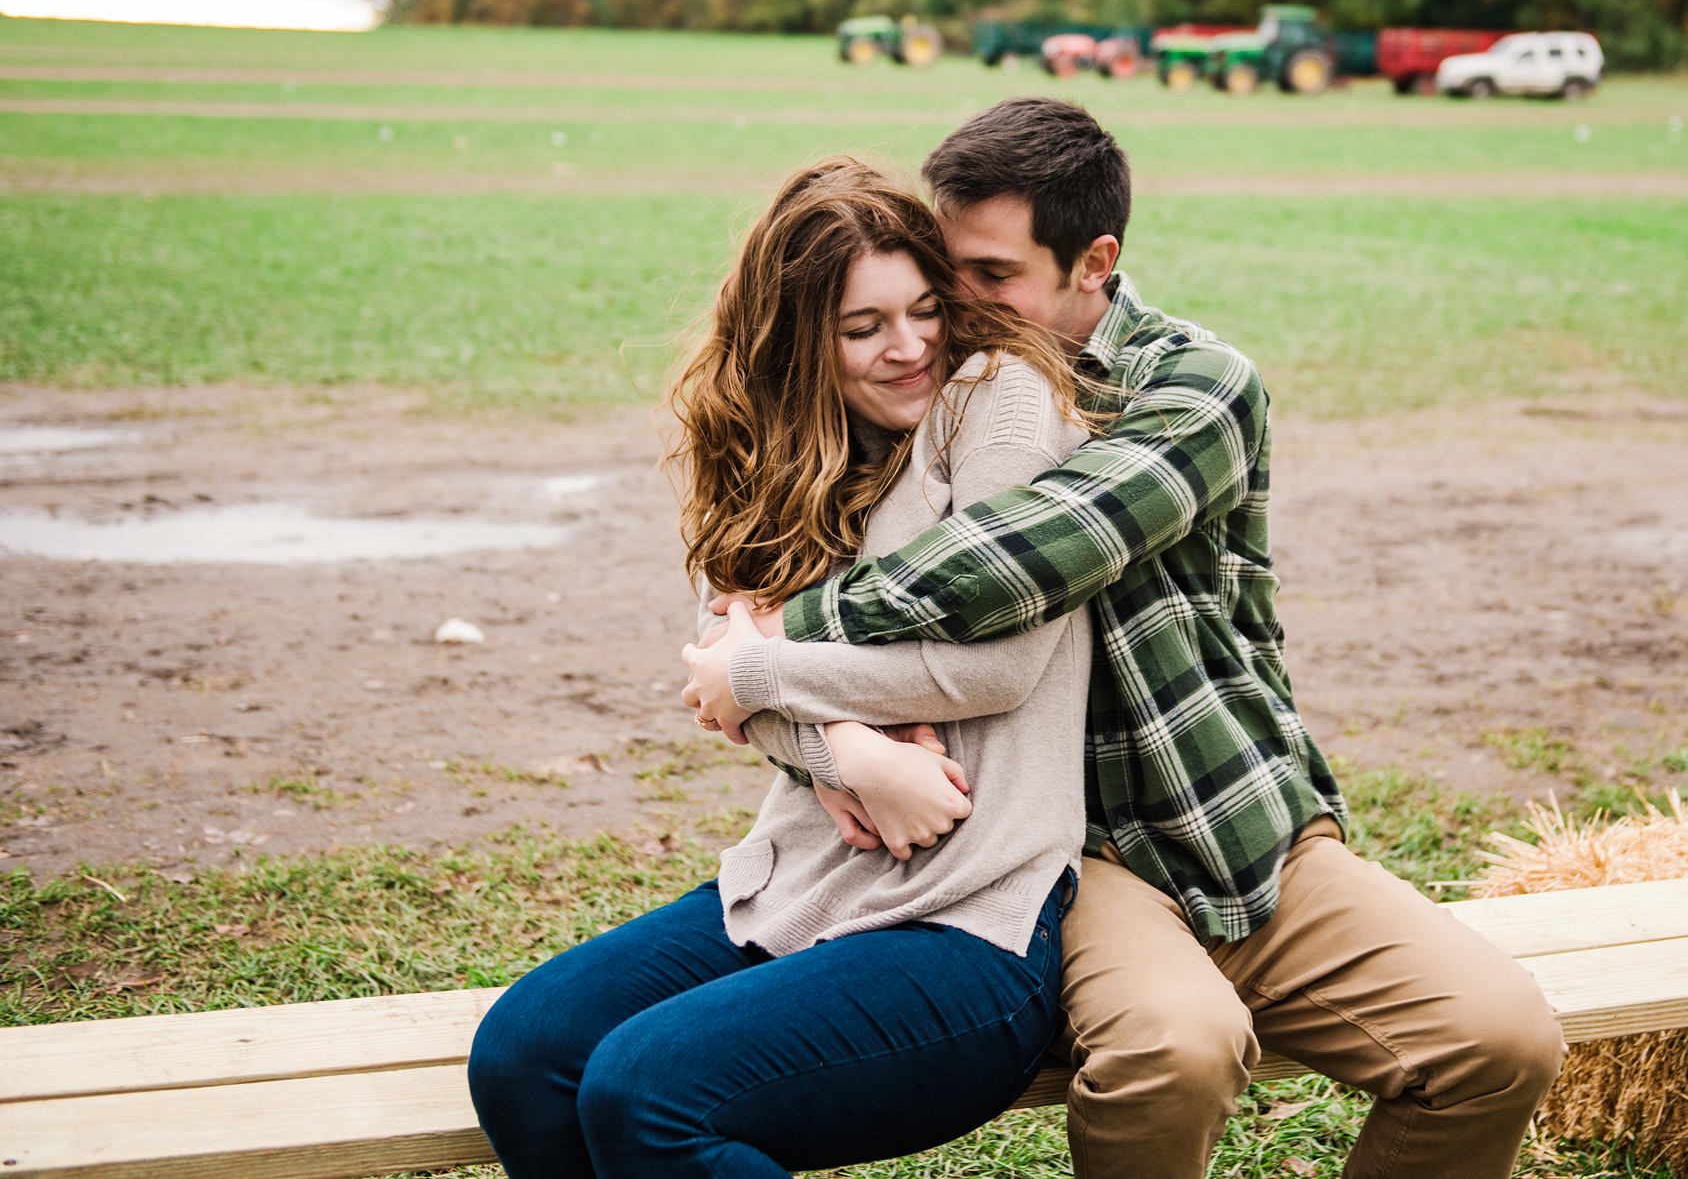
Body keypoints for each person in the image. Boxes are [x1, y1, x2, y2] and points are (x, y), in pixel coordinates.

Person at [684, 98, 1566, 1179]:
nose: (954, 307)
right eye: (944, 268)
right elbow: (782, 574)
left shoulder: (1192, 387)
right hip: (1070, 847)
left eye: (990, 276)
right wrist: (812, 721)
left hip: (1235, 813)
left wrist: (767, 642)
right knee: (1176, 1047)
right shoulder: (933, 400)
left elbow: (1024, 557)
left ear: (1093, 261)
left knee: (1503, 1039)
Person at [466, 156, 1098, 1179]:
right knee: (524, 1053)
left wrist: (767, 679)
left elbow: (998, 667)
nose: (910, 347)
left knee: (646, 1093)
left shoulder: (996, 403)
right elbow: (715, 666)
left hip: (971, 924)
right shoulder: (775, 453)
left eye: (926, 308)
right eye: (863, 328)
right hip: (801, 880)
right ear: (798, 340)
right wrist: (844, 749)